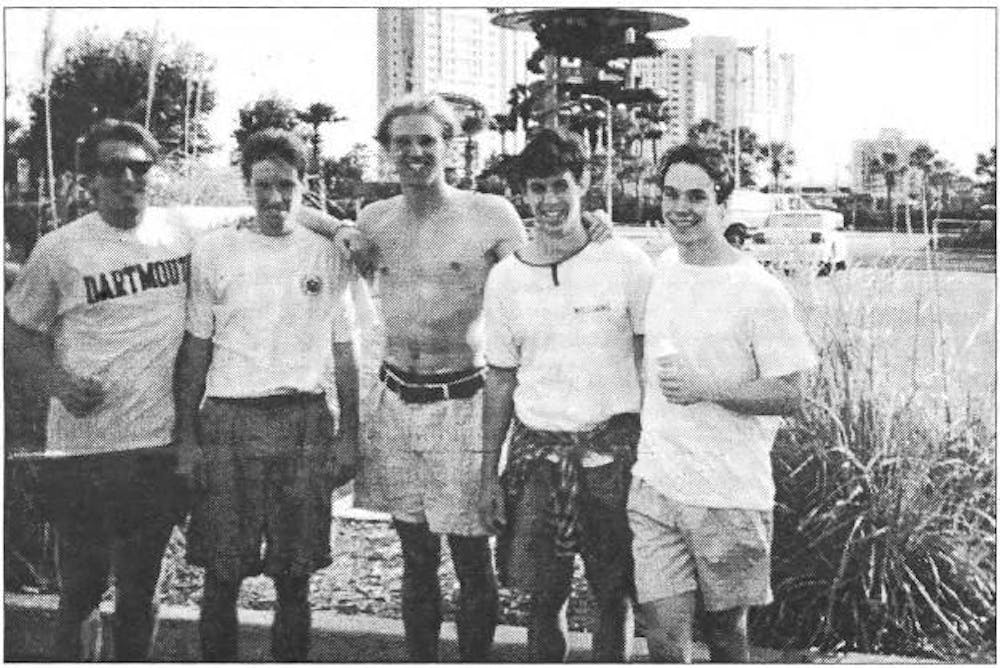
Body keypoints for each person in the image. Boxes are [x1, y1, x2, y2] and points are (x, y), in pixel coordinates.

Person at [340, 94, 612, 662]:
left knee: (471, 562)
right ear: (387, 151)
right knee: (414, 558)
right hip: (395, 400)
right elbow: (322, 231)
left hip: (463, 399)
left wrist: (594, 226)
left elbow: (542, 267)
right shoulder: (375, 219)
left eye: (427, 141)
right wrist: (322, 221)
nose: (415, 153)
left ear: (450, 146)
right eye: (402, 143)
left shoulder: (490, 214)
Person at [5, 119, 190, 661]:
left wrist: (343, 229)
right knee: (81, 590)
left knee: (140, 590)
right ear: (88, 179)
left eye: (140, 166)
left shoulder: (182, 232)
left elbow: (280, 206)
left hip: (154, 444)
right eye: (113, 167)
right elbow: (18, 330)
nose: (128, 177)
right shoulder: (60, 249)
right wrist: (57, 382)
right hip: (82, 447)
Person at [172, 129, 360, 661]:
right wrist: (187, 437)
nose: (275, 198)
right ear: (246, 184)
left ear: (305, 186)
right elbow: (196, 351)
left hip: (303, 420)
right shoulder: (213, 250)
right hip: (230, 421)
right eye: (263, 185)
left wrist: (349, 435)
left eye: (288, 185)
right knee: (222, 575)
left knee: (294, 578)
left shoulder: (327, 253)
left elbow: (345, 352)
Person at [629, 143, 816, 662]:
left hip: (728, 493)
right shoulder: (662, 268)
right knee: (665, 640)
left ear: (723, 206)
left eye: (697, 196)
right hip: (657, 486)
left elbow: (792, 393)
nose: (680, 208)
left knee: (726, 638)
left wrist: (708, 388)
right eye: (670, 195)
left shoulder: (758, 290)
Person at [477, 128, 653, 661]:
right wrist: (489, 474)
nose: (550, 201)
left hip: (613, 454)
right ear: (523, 193)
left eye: (561, 186)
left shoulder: (626, 264)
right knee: (542, 599)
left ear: (584, 184)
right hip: (536, 457)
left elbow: (648, 363)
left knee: (612, 596)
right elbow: (501, 378)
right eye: (537, 188)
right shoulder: (506, 278)